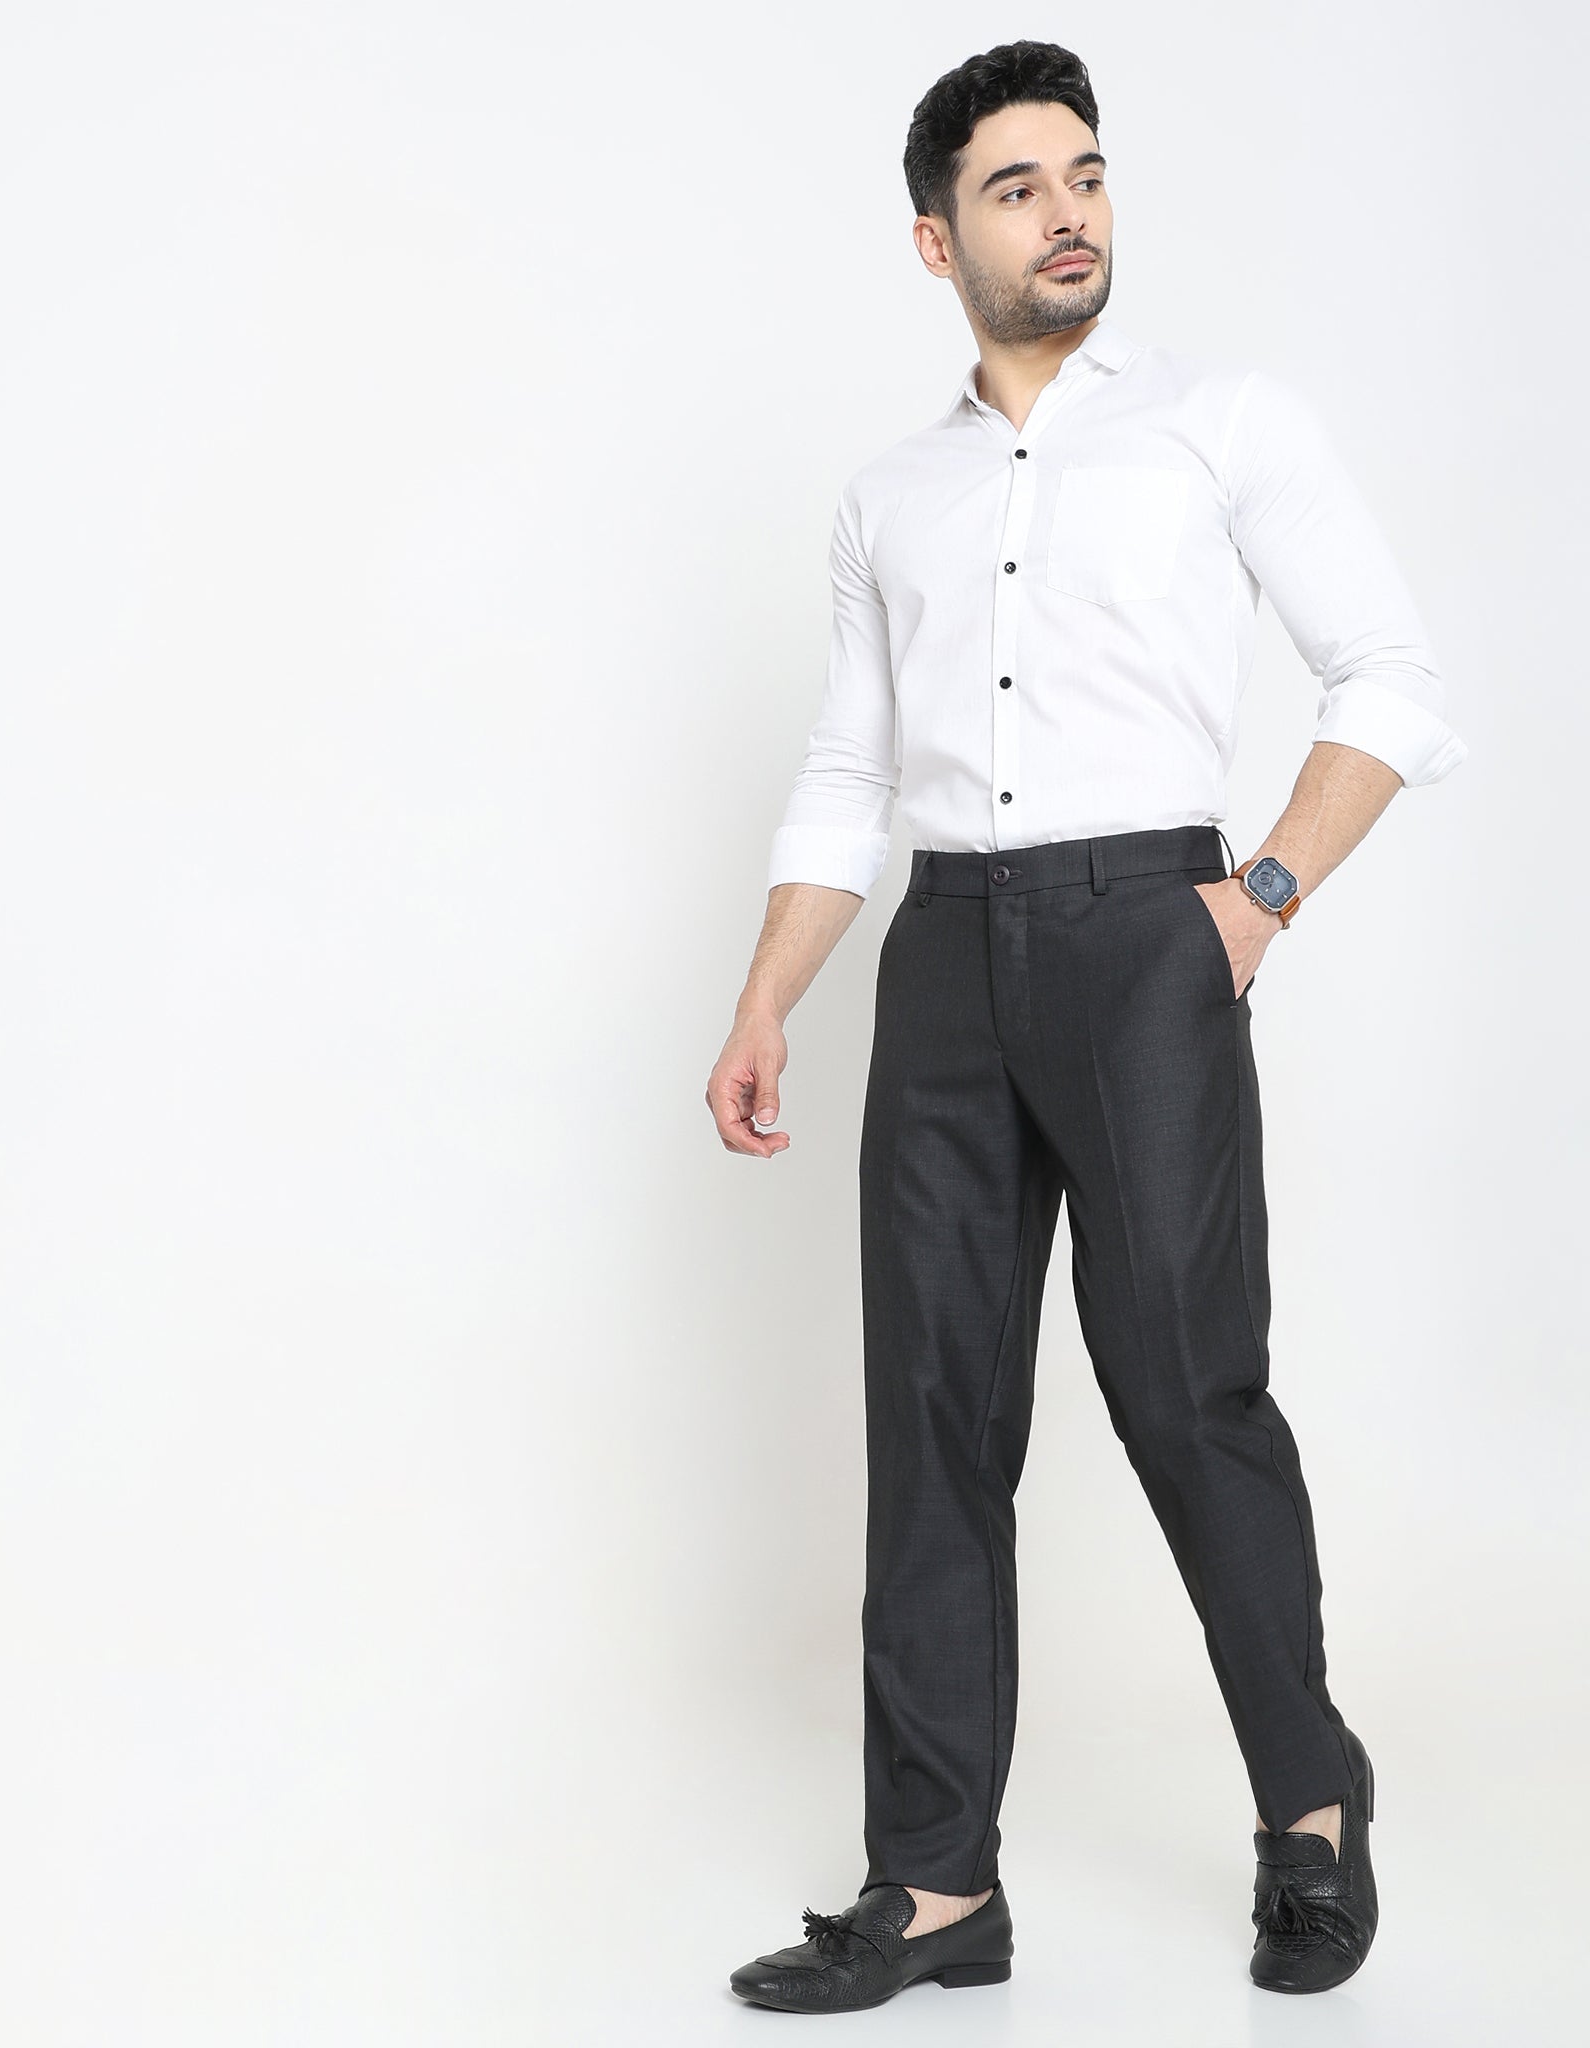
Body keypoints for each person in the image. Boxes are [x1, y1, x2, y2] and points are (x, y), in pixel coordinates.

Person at [705, 39, 1466, 2013]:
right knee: (933, 1418)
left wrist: (1254, 899)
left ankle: (1311, 1807)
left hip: (1150, 938)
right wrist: (768, 995)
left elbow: (1389, 677)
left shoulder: (1220, 423)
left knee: (1189, 1391)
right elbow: (848, 765)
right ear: (934, 239)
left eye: (1087, 174)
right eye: (1018, 186)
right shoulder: (891, 496)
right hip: (944, 952)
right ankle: (935, 1885)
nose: (1067, 214)